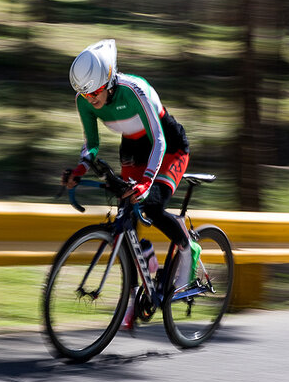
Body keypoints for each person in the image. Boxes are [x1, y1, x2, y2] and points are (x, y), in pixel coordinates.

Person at [61, 39, 201, 296]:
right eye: (85, 93)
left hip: (169, 147)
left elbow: (159, 139)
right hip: (133, 148)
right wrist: (80, 169)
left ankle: (187, 248)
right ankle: (137, 286)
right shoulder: (84, 100)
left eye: (95, 92)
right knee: (125, 216)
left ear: (110, 81)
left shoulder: (134, 91)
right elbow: (91, 144)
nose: (90, 99)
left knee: (151, 205)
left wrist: (148, 181)